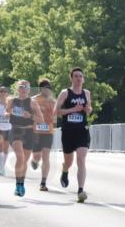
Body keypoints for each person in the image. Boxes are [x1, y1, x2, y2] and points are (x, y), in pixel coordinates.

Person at [55, 67, 93, 202]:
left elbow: (89, 108)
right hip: (68, 131)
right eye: (76, 76)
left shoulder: (86, 93)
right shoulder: (65, 93)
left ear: (83, 79)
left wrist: (88, 109)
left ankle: (81, 190)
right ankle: (65, 170)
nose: (78, 78)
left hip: (82, 130)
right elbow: (56, 111)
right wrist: (73, 109)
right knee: (69, 161)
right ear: (71, 78)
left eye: (80, 76)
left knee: (81, 159)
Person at [7, 80, 35, 197]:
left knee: (24, 161)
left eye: (26, 87)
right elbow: (7, 112)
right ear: (17, 89)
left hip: (28, 132)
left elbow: (40, 119)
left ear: (29, 90)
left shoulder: (32, 102)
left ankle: (21, 183)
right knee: (20, 156)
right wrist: (7, 113)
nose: (23, 89)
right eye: (21, 87)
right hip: (16, 131)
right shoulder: (12, 101)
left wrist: (31, 116)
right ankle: (18, 185)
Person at [31, 79, 57, 191]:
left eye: (49, 88)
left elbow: (55, 119)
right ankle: (34, 161)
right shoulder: (33, 100)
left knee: (46, 156)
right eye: (46, 88)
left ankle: (43, 182)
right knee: (37, 156)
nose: (48, 90)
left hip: (48, 132)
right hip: (35, 132)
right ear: (41, 89)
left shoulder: (53, 102)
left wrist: (53, 118)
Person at [0, 86, 12, 175]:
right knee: (0, 145)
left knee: (6, 148)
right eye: (1, 91)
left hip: (8, 127)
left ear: (7, 93)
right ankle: (1, 167)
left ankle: (2, 166)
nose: (3, 93)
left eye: (4, 91)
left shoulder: (10, 103)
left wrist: (9, 114)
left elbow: (14, 113)